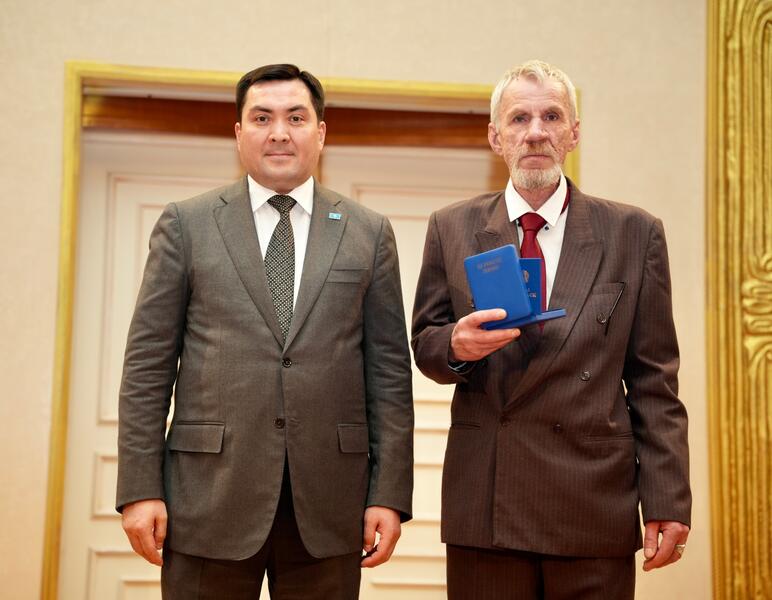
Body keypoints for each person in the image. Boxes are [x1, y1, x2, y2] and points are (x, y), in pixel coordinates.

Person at [116, 63, 414, 599]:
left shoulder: (368, 233)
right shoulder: (187, 224)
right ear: (239, 133)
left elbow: (389, 374)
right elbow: (147, 366)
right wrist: (140, 488)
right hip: (206, 499)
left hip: (330, 504)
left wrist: (388, 493)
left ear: (321, 133)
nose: (279, 132)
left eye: (296, 118)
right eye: (262, 118)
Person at [411, 60, 690, 599]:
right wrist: (456, 346)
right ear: (495, 137)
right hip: (486, 500)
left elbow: (655, 382)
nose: (535, 132)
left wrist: (667, 499)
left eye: (551, 117)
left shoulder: (634, 233)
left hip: (592, 501)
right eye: (519, 119)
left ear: (573, 134)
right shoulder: (451, 226)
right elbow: (425, 343)